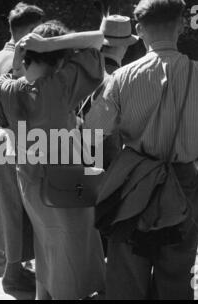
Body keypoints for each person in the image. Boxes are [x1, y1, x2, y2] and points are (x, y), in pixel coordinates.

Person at [0, 21, 106, 300]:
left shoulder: (8, 89)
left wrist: (22, 57)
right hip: (67, 182)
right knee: (72, 246)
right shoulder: (60, 85)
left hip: (31, 182)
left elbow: (9, 76)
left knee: (46, 243)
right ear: (60, 60)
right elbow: (97, 41)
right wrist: (50, 44)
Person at [97, 0, 198, 299]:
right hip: (185, 184)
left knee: (127, 275)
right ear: (181, 24)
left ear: (139, 30)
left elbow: (92, 133)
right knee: (177, 273)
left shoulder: (121, 77)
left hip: (133, 183)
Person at [0, 2, 44, 292]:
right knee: (20, 209)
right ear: (29, 32)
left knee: (10, 209)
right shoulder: (17, 62)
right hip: (17, 139)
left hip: (1, 135)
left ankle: (14, 272)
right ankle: (12, 275)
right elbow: (25, 106)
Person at [82, 15, 139, 256]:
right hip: (105, 166)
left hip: (75, 162)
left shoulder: (81, 72)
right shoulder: (117, 79)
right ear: (124, 45)